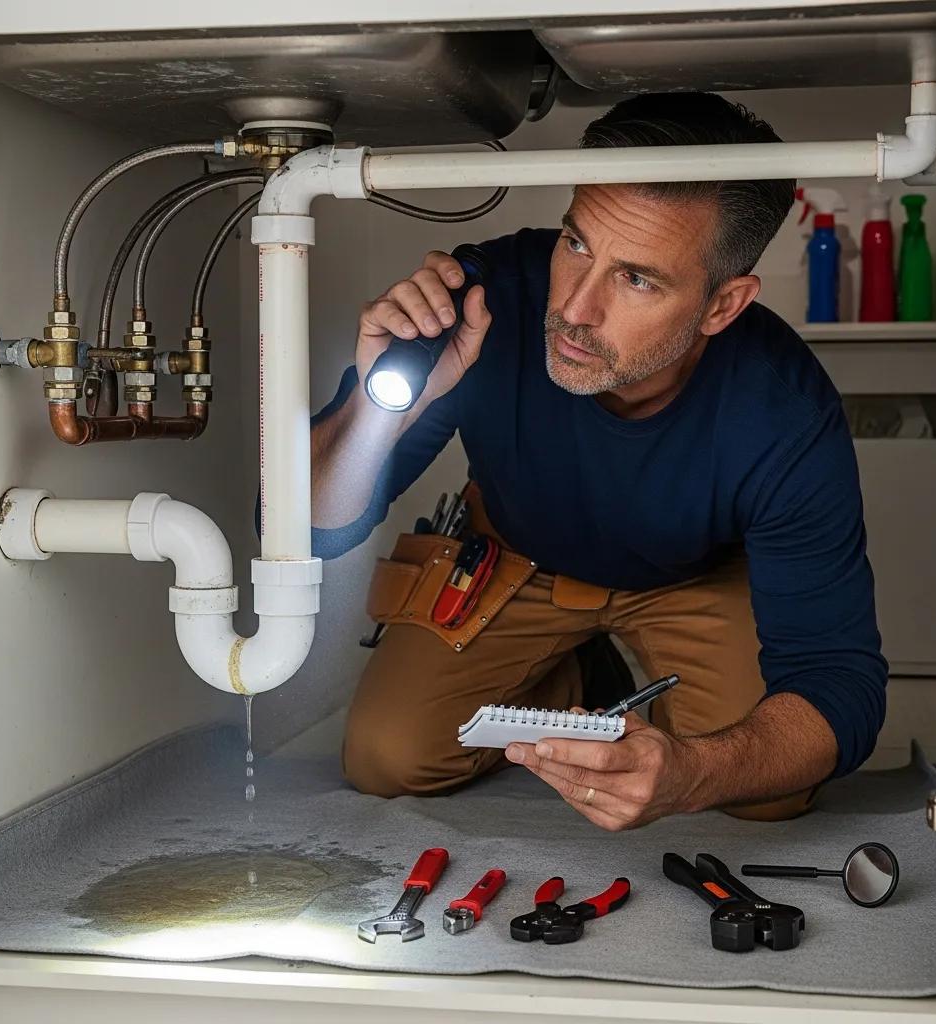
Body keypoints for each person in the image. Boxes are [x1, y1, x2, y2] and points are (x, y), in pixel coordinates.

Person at [307, 91, 887, 831]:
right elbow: (305, 526)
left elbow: (841, 684)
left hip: (692, 575)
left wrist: (693, 773)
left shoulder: (783, 408)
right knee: (387, 758)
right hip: (518, 558)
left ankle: (643, 701)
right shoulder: (486, 302)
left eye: (638, 278)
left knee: (770, 792)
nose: (575, 309)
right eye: (577, 243)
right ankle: (579, 675)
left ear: (722, 306)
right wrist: (379, 413)